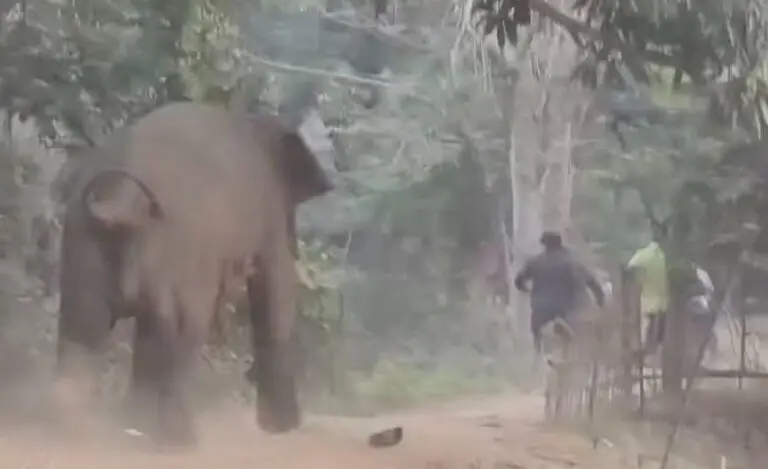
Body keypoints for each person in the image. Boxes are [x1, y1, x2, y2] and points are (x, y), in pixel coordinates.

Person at [514, 231, 605, 355]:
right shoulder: (573, 262)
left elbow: (519, 281)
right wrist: (600, 302)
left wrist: (527, 290)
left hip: (543, 310)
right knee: (574, 335)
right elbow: (593, 283)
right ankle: (572, 354)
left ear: (544, 245)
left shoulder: (536, 262)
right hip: (569, 309)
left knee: (537, 331)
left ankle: (538, 353)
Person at [626, 229, 668, 358]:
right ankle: (657, 354)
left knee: (646, 329)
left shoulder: (642, 255)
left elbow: (629, 268)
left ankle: (644, 351)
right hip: (665, 303)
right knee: (661, 334)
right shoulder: (668, 257)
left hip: (646, 301)